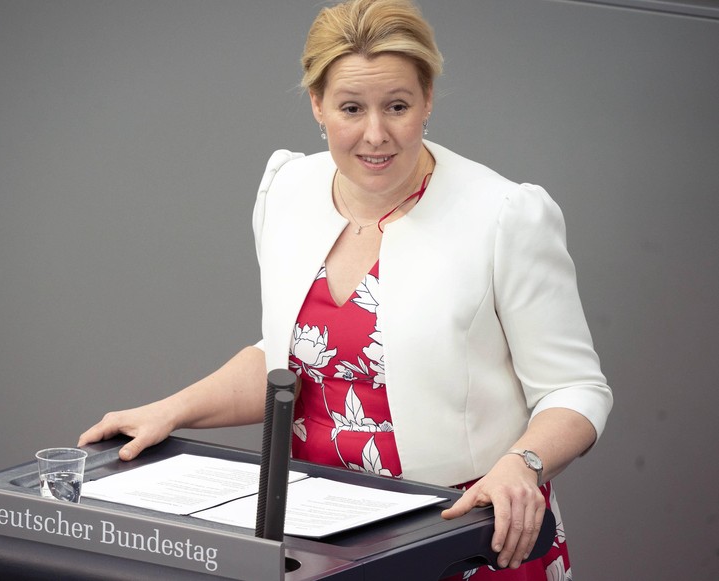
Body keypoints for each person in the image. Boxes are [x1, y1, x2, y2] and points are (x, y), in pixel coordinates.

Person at [79, 0, 613, 578]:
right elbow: (288, 362)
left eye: (399, 106)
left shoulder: (505, 214)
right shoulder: (287, 190)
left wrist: (522, 463)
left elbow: (576, 390)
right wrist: (168, 411)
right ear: (317, 104)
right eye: (351, 108)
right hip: (319, 537)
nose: (375, 134)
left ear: (428, 99)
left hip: (465, 531)